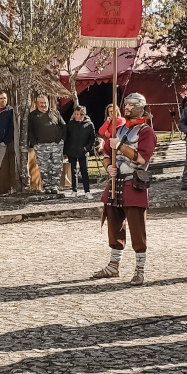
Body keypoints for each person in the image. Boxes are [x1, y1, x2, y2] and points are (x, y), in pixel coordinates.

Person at [91, 93, 157, 286]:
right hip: (115, 182)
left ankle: (140, 270)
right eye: (125, 105)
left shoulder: (146, 132)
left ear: (140, 107)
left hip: (134, 182)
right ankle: (113, 266)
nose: (126, 108)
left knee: (137, 229)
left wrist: (120, 146)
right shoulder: (118, 129)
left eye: (130, 106)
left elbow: (142, 159)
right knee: (114, 225)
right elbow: (106, 153)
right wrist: (107, 166)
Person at [28, 95, 67, 196]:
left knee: (57, 167)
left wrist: (62, 140)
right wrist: (34, 144)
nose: (44, 105)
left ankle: (55, 186)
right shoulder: (33, 115)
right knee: (44, 167)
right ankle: (47, 187)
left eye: (45, 103)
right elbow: (30, 131)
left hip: (56, 145)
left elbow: (63, 125)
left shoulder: (55, 112)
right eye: (41, 103)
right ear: (37, 104)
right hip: (41, 146)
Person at [63, 105, 96, 199]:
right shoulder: (70, 124)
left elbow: (92, 138)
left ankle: (87, 191)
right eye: (75, 113)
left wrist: (86, 148)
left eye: (78, 114)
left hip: (83, 152)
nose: (75, 115)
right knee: (73, 170)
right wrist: (66, 149)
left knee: (84, 171)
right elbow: (67, 137)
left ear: (83, 115)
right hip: (72, 151)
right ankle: (74, 190)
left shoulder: (89, 124)